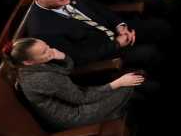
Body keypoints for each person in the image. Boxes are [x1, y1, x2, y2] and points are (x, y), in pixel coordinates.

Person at [22, 0, 171, 70]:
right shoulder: (42, 30)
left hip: (115, 30)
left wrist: (120, 25)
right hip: (105, 53)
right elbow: (78, 58)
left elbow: (98, 7)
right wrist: (117, 44)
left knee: (159, 27)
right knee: (150, 54)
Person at [8, 37, 145, 130]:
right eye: (44, 52)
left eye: (47, 46)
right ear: (28, 62)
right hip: (74, 115)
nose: (51, 51)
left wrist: (62, 57)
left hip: (77, 98)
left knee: (132, 84)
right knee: (128, 87)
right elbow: (82, 98)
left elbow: (66, 70)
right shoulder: (41, 79)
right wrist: (118, 83)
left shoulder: (30, 66)